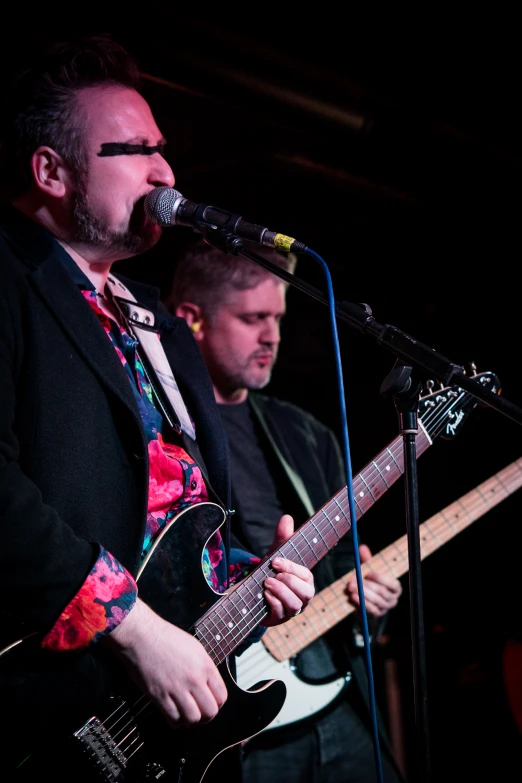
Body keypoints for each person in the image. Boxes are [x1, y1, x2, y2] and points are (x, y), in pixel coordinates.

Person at [0, 35, 315, 783]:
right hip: (51, 700)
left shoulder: (159, 325)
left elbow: (177, 515)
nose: (166, 172)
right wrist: (134, 628)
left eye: (163, 149)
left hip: (166, 731)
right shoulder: (10, 279)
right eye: (136, 149)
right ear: (50, 170)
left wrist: (245, 577)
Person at [167, 237, 406, 783]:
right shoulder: (167, 435)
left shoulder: (305, 435)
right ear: (191, 319)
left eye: (277, 317)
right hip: (237, 729)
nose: (272, 336)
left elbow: (347, 563)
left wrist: (372, 597)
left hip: (338, 697)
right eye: (253, 318)